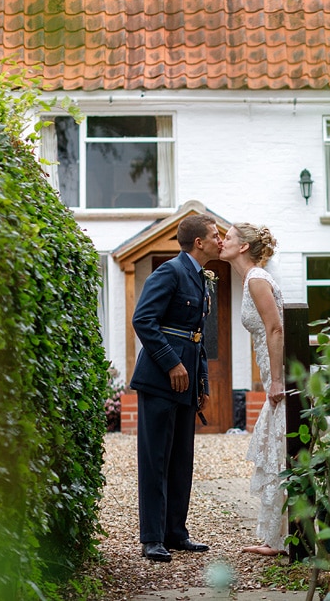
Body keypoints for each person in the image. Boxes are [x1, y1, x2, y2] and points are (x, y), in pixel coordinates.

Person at [129, 213, 222, 562]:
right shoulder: (170, 271)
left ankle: (175, 532)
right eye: (215, 236)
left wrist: (202, 383)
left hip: (186, 382)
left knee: (181, 459)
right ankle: (152, 538)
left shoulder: (199, 277)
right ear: (199, 242)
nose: (220, 240)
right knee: (155, 459)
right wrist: (171, 363)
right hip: (159, 379)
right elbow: (143, 320)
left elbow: (196, 336)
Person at [219, 222, 287, 556]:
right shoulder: (251, 279)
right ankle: (278, 539)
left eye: (228, 237)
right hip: (273, 374)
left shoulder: (257, 279)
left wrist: (275, 381)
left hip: (281, 378)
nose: (222, 241)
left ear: (243, 247)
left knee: (280, 452)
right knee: (277, 452)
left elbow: (276, 329)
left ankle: (280, 540)